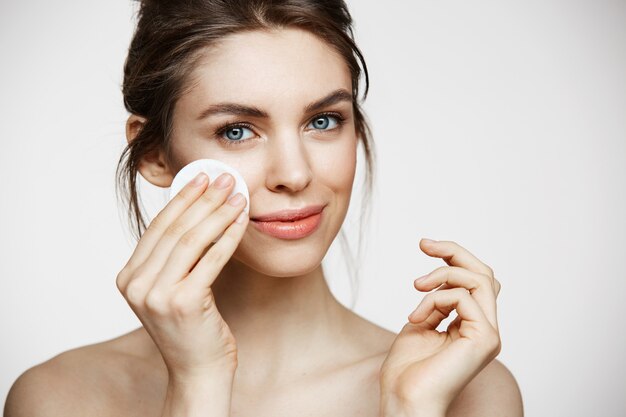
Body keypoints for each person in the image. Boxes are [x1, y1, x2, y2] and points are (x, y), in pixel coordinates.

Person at [4, 1, 523, 416]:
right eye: (237, 131)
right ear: (154, 154)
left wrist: (411, 411)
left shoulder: (464, 391)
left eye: (323, 121)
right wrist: (198, 384)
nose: (294, 175)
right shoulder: (58, 399)